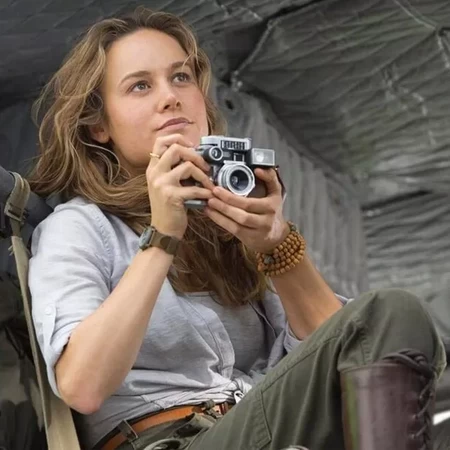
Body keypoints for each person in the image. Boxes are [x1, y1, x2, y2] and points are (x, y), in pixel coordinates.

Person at [27, 7, 446, 450]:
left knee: (396, 319)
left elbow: (351, 351)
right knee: (389, 310)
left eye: (181, 77)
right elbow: (82, 387)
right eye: (140, 86)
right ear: (99, 125)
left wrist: (278, 245)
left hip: (257, 426)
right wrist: (162, 237)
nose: (170, 97)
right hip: (165, 438)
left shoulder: (226, 224)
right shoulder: (78, 227)